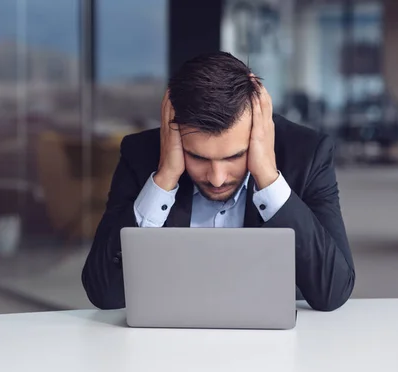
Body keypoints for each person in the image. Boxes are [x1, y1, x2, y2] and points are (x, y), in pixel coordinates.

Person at [81, 52, 355, 312]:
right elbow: (104, 293)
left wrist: (269, 179)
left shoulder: (307, 154)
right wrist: (164, 179)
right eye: (197, 157)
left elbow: (332, 291)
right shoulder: (141, 155)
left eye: (234, 156)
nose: (216, 178)